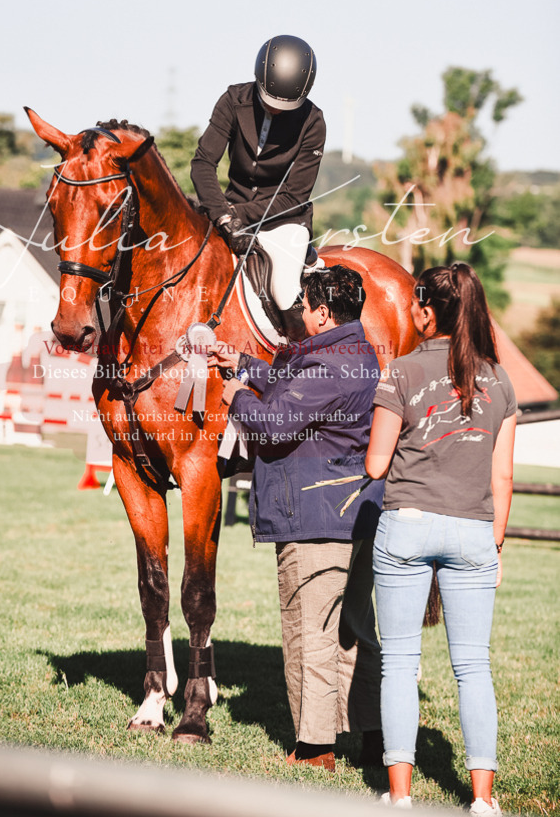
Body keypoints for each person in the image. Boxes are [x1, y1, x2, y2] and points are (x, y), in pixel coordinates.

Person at [210, 266, 385, 771]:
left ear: (324, 312)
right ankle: (371, 735)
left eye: (305, 307)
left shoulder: (326, 365)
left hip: (313, 517)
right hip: (354, 515)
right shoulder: (355, 352)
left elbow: (271, 424)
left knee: (309, 631)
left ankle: (315, 749)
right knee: (354, 628)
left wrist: (235, 395)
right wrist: (245, 364)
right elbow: (297, 388)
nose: (300, 314)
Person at [365, 263, 516, 814]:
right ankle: (482, 801)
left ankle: (400, 797)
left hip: (406, 524)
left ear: (428, 310)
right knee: (474, 667)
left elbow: (377, 464)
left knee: (400, 662)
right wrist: (494, 546)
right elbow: (502, 477)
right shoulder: (500, 380)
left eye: (414, 302)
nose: (409, 310)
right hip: (475, 529)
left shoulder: (400, 371)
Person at [191, 34, 325, 339]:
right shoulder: (233, 100)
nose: (276, 110)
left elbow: (294, 195)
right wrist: (222, 216)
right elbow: (202, 163)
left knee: (284, 290)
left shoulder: (314, 122)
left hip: (284, 220)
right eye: (270, 100)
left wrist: (236, 214)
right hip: (226, 213)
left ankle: (300, 369)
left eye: (286, 106)